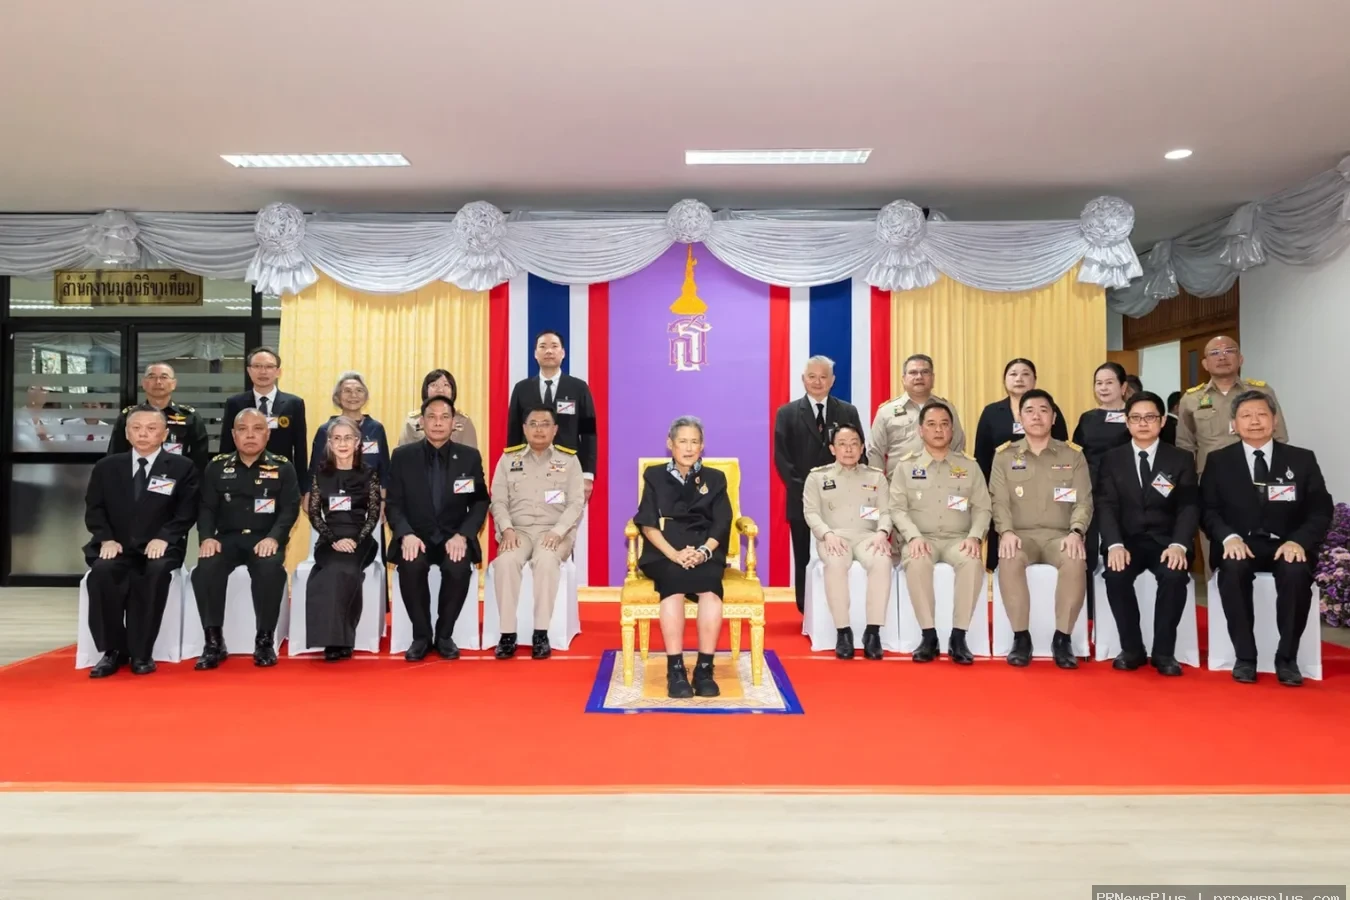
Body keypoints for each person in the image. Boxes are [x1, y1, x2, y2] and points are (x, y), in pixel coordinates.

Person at [1200, 390, 1332, 687]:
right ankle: (1245, 657)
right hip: (1240, 543)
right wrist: (1228, 538)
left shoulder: (1301, 459)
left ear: (1274, 420)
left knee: (1296, 573)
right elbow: (1208, 510)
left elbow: (1320, 509)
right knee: (1232, 571)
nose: (1255, 421)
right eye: (1246, 416)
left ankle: (1287, 658)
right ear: (1234, 423)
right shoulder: (1219, 461)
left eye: (1262, 414)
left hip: (1286, 543)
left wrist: (1299, 540)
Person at [82, 405, 199, 677]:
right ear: (126, 432)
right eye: (136, 428)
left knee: (154, 574)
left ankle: (141, 652)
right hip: (117, 546)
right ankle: (112, 650)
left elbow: (186, 511)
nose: (143, 434)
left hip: (159, 547)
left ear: (165, 433)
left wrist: (165, 538)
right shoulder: (107, 467)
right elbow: (94, 509)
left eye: (151, 428)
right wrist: (106, 540)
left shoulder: (182, 467)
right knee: (101, 573)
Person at [1096, 392, 1200, 676]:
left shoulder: (1180, 459)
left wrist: (1180, 544)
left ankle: (1164, 652)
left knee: (1174, 575)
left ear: (1163, 421)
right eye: (1136, 418)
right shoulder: (1112, 459)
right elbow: (1105, 505)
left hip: (1167, 541)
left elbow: (1188, 506)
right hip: (1126, 541)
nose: (1143, 423)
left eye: (1150, 417)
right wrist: (1114, 544)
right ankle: (1132, 649)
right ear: (1127, 423)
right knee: (1115, 576)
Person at [990, 389, 1092, 668]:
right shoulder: (1004, 456)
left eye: (1044, 410)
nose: (1037, 416)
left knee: (1074, 559)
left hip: (1060, 535)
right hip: (1020, 535)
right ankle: (1021, 637)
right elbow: (999, 501)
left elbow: (1084, 501)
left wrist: (1076, 532)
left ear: (1054, 417)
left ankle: (1063, 638)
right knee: (1009, 558)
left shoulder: (1073, 456)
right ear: (1019, 417)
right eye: (1030, 410)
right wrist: (1006, 532)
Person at [192, 408, 301, 670]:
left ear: (267, 433)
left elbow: (289, 508)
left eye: (257, 429)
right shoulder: (217, 466)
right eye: (243, 429)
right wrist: (206, 537)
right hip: (226, 539)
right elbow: (206, 506)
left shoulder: (283, 467)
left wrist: (275, 538)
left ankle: (264, 640)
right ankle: (214, 642)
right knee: (204, 570)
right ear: (233, 434)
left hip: (265, 539)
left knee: (269, 571)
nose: (250, 435)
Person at [633, 416, 732, 699]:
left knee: (711, 589)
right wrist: (674, 555)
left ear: (702, 445)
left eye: (695, 442)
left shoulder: (715, 478)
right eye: (682, 442)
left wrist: (703, 551)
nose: (689, 448)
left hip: (704, 550)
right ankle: (675, 670)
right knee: (673, 587)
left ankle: (704, 669)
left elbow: (722, 522)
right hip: (666, 550)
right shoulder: (654, 475)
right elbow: (647, 522)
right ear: (670, 444)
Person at [386, 395, 488, 662]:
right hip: (415, 536)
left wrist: (464, 535)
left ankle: (444, 635)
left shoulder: (469, 457)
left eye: (445, 417)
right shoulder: (402, 457)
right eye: (431, 417)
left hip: (453, 535)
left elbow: (479, 501)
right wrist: (405, 534)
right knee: (412, 565)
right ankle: (421, 636)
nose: (438, 423)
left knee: (457, 567)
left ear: (454, 423)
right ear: (421, 422)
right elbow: (393, 504)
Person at [889, 401, 991, 665]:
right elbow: (897, 509)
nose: (938, 430)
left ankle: (959, 636)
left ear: (952, 430)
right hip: (923, 539)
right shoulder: (906, 466)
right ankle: (928, 635)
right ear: (921, 430)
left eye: (944, 424)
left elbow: (983, 508)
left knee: (971, 563)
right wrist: (912, 536)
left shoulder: (969, 466)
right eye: (932, 425)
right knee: (918, 561)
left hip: (959, 539)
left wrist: (975, 536)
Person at [1176, 335, 1287, 574]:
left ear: (1241, 358)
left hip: (1258, 481)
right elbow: (1184, 447)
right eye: (1215, 353)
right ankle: (1219, 605)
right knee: (1216, 548)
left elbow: (1279, 439)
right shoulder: (1191, 398)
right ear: (1205, 363)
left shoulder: (1261, 392)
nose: (1223, 356)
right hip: (1212, 486)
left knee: (1267, 546)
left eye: (1229, 350)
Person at [488, 406, 585, 659]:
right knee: (506, 562)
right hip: (517, 531)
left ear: (555, 430)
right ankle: (507, 634)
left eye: (545, 424)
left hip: (553, 532)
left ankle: (540, 633)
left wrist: (558, 531)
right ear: (524, 429)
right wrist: (506, 529)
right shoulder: (509, 459)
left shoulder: (569, 460)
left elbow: (576, 503)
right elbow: (497, 500)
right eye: (533, 423)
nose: (539, 429)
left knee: (545, 561)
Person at [772, 355, 866, 613]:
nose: (817, 382)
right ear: (803, 380)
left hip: (844, 501)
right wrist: (809, 494)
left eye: (823, 377)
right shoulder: (787, 413)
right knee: (804, 557)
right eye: (812, 377)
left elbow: (860, 453)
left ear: (832, 380)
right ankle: (807, 610)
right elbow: (782, 459)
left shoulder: (848, 411)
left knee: (841, 554)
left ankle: (843, 608)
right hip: (802, 500)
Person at [801, 424, 892, 660]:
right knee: (836, 564)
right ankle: (843, 632)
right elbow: (811, 512)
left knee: (882, 562)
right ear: (833, 449)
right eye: (842, 444)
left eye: (854, 444)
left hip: (868, 537)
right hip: (834, 537)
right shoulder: (818, 477)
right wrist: (827, 534)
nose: (848, 449)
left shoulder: (876, 477)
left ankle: (873, 633)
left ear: (862, 448)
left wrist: (882, 532)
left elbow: (886, 511)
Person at [974, 358, 1068, 569]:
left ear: (1035, 380)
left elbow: (1061, 451)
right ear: (1004, 380)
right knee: (1005, 552)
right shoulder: (991, 412)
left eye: (1025, 374)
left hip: (1042, 488)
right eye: (1013, 374)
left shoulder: (1051, 410)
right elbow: (982, 455)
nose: (1019, 378)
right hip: (1003, 490)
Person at [305, 416, 383, 662]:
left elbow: (374, 514)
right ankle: (330, 638)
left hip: (361, 540)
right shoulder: (321, 473)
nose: (342, 443)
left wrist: (356, 541)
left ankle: (343, 639)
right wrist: (332, 539)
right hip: (329, 540)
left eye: (348, 438)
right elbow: (315, 514)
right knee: (328, 572)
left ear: (358, 442)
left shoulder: (368, 473)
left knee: (347, 570)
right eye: (336, 438)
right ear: (329, 442)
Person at [1072, 362, 1133, 619]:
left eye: (1110, 382)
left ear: (1123, 386)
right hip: (1091, 492)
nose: (1104, 387)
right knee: (1087, 553)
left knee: (1118, 549)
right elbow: (1075, 455)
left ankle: (1115, 610)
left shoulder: (1135, 417)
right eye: (1099, 383)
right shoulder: (1088, 418)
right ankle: (1087, 612)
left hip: (1126, 495)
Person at [506, 331, 597, 502]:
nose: (549, 351)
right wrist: (513, 470)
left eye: (554, 346)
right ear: (535, 354)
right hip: (529, 469)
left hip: (568, 468)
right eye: (543, 347)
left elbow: (589, 433)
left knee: (564, 523)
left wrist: (587, 475)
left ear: (563, 353)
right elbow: (513, 434)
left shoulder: (579, 388)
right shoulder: (521, 389)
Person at [868, 353, 966, 476]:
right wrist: (879, 487)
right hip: (899, 489)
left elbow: (958, 447)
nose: (919, 377)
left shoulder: (947, 409)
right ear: (903, 379)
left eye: (925, 372)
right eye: (913, 373)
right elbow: (875, 453)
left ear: (933, 378)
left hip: (940, 486)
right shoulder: (886, 412)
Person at [220, 347, 308, 475]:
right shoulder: (235, 403)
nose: (263, 371)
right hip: (243, 474)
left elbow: (300, 448)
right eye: (257, 366)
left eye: (269, 366)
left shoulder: (294, 403)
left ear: (278, 371)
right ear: (249, 371)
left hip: (282, 475)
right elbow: (227, 443)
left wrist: (302, 485)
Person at [108, 363, 209, 471]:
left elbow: (200, 461)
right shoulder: (129, 415)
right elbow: (114, 456)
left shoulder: (189, 417)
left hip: (177, 479)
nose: (158, 382)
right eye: (152, 377)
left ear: (173, 384)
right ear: (144, 383)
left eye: (164, 377)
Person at [309, 372, 391, 482]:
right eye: (347, 391)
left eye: (359, 390)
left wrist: (384, 498)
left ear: (366, 396)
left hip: (370, 494)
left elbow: (384, 469)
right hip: (332, 493)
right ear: (337, 397)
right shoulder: (325, 429)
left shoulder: (376, 429)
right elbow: (314, 469)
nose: (353, 395)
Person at [399, 368, 479, 450]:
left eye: (446, 385)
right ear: (426, 390)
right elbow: (403, 456)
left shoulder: (464, 421)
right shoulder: (412, 421)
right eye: (434, 385)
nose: (440, 390)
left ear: (453, 391)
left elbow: (471, 457)